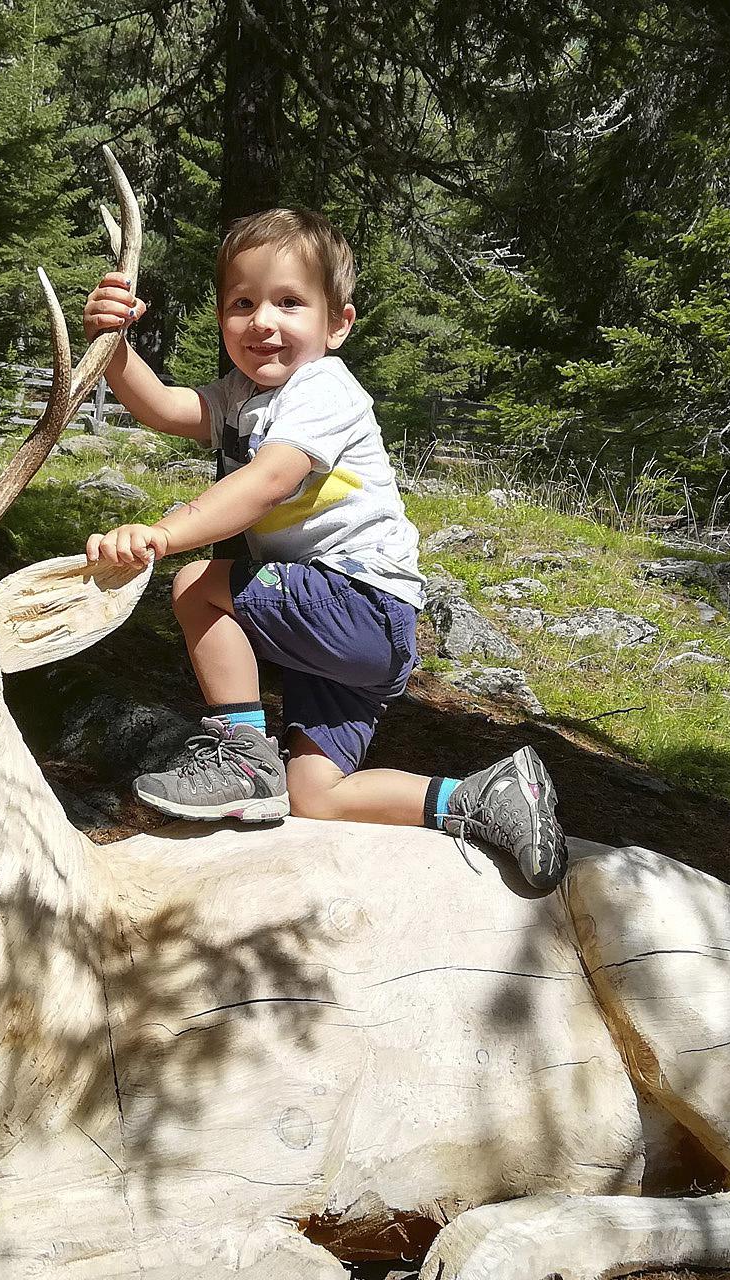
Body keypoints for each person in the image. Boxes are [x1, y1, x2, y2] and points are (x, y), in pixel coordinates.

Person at [80, 208, 565, 891]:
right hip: (345, 635)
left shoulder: (323, 390)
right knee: (316, 794)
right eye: (241, 304)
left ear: (336, 324)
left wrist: (163, 533)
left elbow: (269, 479)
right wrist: (114, 342)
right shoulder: (240, 396)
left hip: (361, 604)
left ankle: (242, 756)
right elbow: (161, 406)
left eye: (288, 303)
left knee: (197, 586)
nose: (262, 322)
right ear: (222, 318)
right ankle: (483, 797)